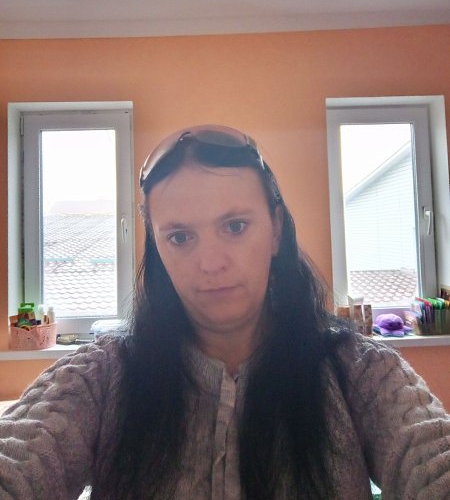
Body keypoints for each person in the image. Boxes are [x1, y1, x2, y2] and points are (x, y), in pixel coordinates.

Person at [0, 124, 449, 500]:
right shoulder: (99, 376)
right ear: (157, 247)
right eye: (180, 237)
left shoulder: (361, 372)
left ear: (275, 229)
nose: (211, 263)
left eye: (235, 226)